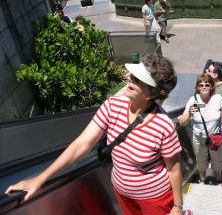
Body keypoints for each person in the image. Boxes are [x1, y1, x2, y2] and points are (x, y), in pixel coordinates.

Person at [5, 54, 184, 215]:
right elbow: (82, 143)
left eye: (138, 80)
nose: (130, 78)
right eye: (132, 75)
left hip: (155, 199)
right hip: (122, 193)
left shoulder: (163, 126)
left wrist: (177, 207)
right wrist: (40, 178)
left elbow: (173, 168)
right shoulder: (112, 106)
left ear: (150, 94)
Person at [178, 74, 222, 184]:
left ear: (212, 87)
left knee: (217, 162)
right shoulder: (193, 101)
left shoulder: (218, 99)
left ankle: (218, 180)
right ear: (197, 87)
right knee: (201, 162)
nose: (204, 87)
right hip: (199, 138)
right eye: (201, 85)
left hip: (215, 137)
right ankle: (203, 180)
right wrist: (189, 113)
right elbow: (182, 123)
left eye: (207, 84)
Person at [205, 61, 222, 170]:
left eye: (209, 70)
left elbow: (214, 107)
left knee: (221, 143)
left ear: (215, 75)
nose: (206, 71)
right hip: (211, 121)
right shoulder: (209, 84)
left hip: (220, 123)